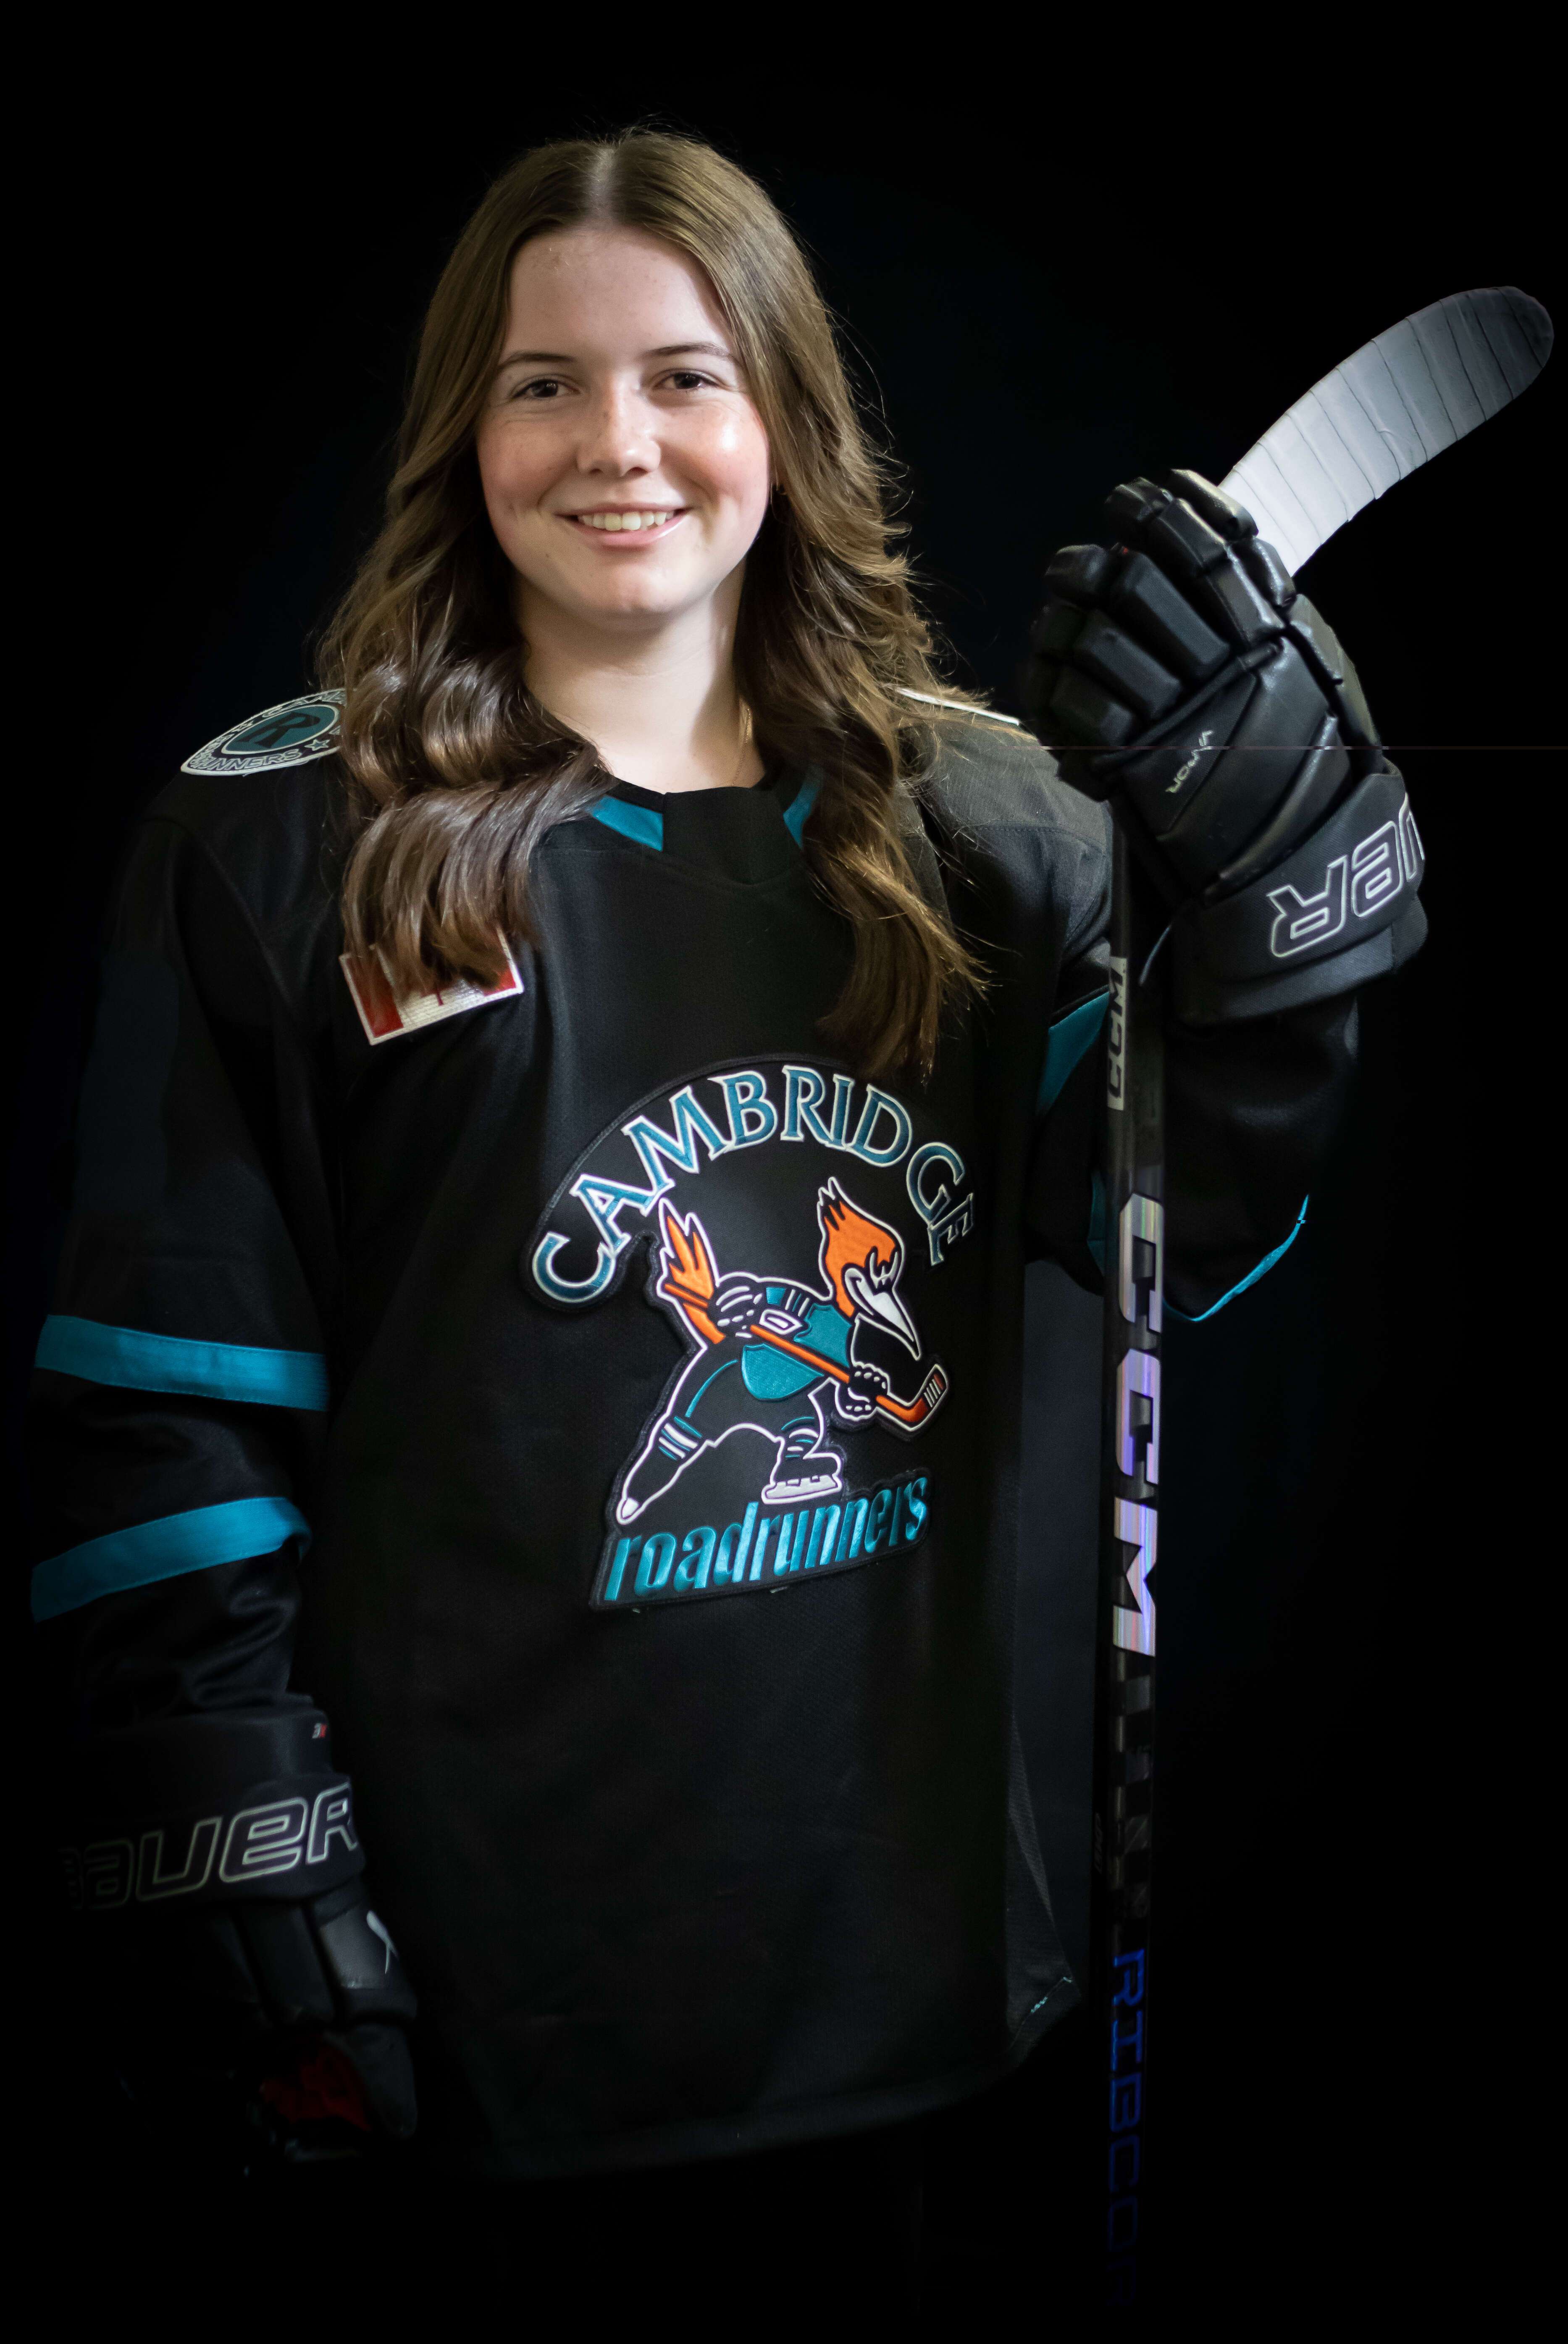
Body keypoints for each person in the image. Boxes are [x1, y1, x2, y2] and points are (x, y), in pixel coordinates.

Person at [28, 129, 1424, 2289]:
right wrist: (236, 1856)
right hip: (477, 2012)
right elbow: (171, 1429)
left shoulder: (1000, 832)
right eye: (545, 383)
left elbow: (1166, 1230)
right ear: (463, 431)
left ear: (786, 415)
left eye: (685, 375)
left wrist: (1276, 923)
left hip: (908, 1988)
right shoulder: (291, 851)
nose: (619, 444)